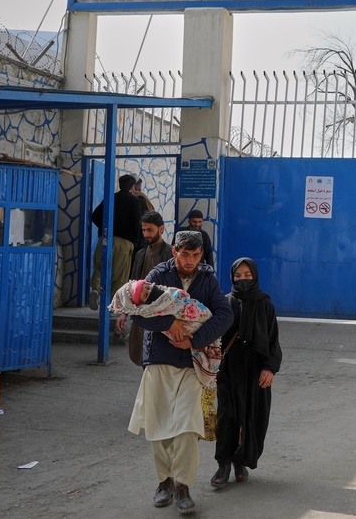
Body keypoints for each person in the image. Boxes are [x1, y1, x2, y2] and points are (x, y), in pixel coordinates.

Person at [128, 230, 232, 514]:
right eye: (185, 254)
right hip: (159, 360)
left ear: (201, 255)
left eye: (196, 255)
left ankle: (183, 486)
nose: (190, 261)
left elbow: (225, 315)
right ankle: (164, 482)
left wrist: (194, 340)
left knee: (187, 425)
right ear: (175, 252)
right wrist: (168, 324)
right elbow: (136, 311)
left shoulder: (208, 280)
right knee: (159, 425)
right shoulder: (158, 275)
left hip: (191, 363)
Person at [210, 257, 282, 490]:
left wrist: (269, 368)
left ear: (255, 276)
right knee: (228, 417)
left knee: (252, 418)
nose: (242, 279)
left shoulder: (265, 304)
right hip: (229, 370)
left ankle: (241, 462)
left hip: (256, 372)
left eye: (247, 275)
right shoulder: (225, 303)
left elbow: (272, 340)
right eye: (238, 275)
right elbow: (215, 338)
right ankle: (223, 464)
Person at [117, 210, 174, 366]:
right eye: (144, 230)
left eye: (150, 230)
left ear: (161, 229)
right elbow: (133, 284)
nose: (146, 234)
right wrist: (124, 312)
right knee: (142, 356)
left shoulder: (170, 254)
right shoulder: (140, 254)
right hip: (141, 313)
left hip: (162, 313)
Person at [88, 174, 142, 310]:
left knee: (99, 268)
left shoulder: (111, 198)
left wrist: (104, 227)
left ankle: (95, 289)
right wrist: (134, 240)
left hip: (105, 239)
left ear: (119, 185)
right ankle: (114, 305)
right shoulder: (134, 201)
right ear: (132, 187)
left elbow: (95, 215)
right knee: (120, 275)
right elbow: (136, 223)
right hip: (124, 242)